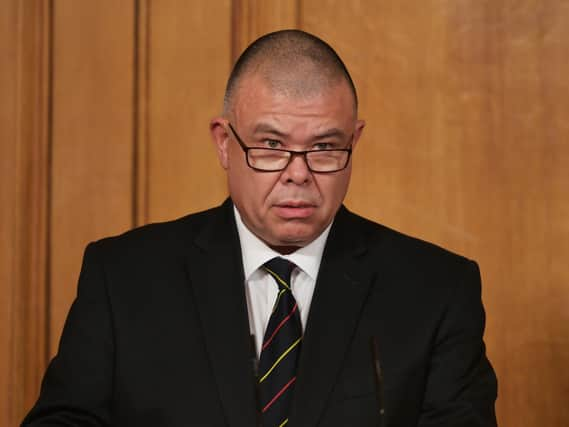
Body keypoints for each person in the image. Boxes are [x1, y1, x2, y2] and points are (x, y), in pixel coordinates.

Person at [23, 30, 497, 427]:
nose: (298, 173)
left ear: (354, 142)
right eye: (271, 145)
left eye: (325, 147)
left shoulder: (436, 290)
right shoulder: (123, 277)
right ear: (225, 143)